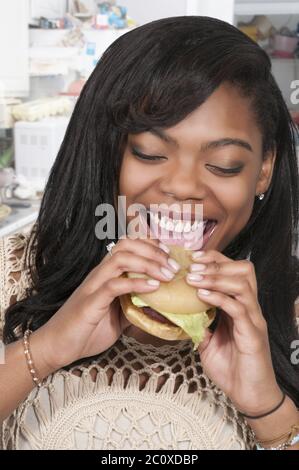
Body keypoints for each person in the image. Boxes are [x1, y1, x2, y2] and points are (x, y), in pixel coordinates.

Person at [0, 16, 298, 450]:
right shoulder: (12, 271)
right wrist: (45, 350)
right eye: (150, 153)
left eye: (224, 164)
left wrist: (268, 408)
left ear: (263, 170)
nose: (182, 186)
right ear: (109, 153)